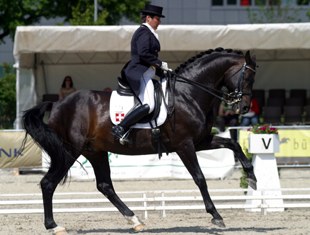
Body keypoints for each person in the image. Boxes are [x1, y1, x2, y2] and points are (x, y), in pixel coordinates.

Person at [112, 4, 170, 141]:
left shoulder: (148, 32)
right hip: (139, 72)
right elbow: (144, 54)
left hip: (147, 72)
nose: (159, 22)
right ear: (148, 18)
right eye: (157, 18)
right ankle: (121, 128)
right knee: (148, 104)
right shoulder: (144, 32)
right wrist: (160, 64)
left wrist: (163, 72)